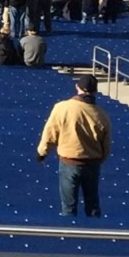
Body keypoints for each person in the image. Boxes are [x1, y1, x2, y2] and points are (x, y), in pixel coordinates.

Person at [37, 72, 111, 217]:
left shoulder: (62, 108)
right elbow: (106, 146)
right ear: (95, 91)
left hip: (69, 162)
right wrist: (99, 160)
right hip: (92, 163)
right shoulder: (102, 115)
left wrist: (42, 153)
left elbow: (50, 133)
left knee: (68, 207)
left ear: (77, 87)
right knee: (93, 206)